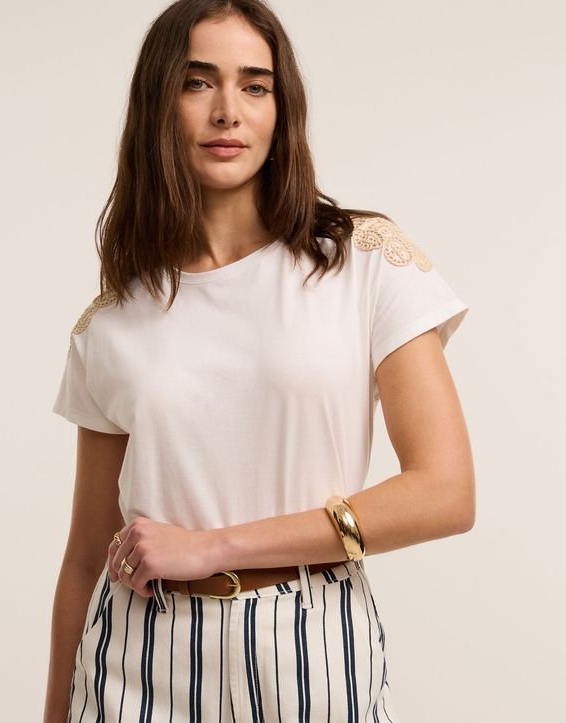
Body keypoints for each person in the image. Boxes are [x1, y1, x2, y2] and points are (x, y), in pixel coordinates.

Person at [43, 1, 476, 721]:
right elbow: (88, 554)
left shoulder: (364, 262)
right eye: (197, 82)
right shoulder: (111, 320)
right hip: (135, 661)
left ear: (282, 109)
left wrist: (213, 547)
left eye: (254, 85)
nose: (227, 111)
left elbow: (445, 492)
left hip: (310, 645)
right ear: (158, 104)